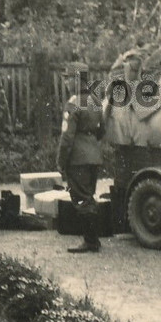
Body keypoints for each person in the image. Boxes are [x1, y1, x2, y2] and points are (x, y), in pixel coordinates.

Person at [58, 87, 106, 254]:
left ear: (74, 80)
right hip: (94, 155)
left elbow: (67, 138)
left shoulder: (73, 103)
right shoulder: (96, 101)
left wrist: (61, 161)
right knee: (89, 196)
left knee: (81, 198)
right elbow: (102, 130)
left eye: (69, 78)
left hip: (78, 158)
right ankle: (94, 239)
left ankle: (90, 241)